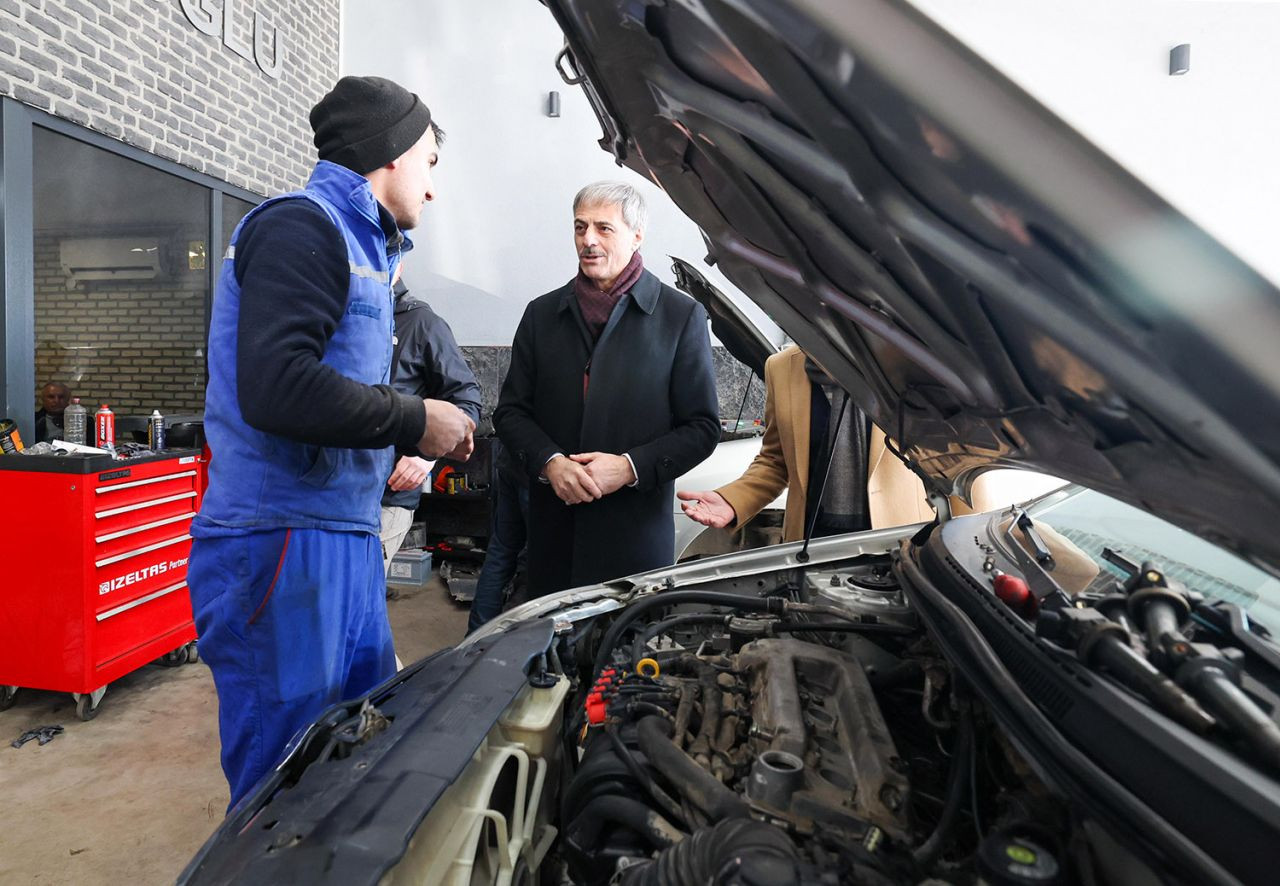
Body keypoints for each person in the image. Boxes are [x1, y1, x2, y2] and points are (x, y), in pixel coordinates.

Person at [188, 75, 475, 808]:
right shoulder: (302, 226)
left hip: (340, 536)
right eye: (431, 163)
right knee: (282, 780)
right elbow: (278, 385)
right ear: (392, 151)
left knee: (353, 753)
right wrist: (417, 418)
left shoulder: (364, 246)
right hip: (280, 539)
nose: (434, 189)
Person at [494, 181, 720, 597]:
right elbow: (510, 412)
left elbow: (702, 427)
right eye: (580, 228)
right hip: (554, 536)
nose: (588, 240)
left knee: (626, 653)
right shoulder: (542, 315)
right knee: (554, 652)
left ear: (637, 235)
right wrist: (550, 463)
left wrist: (630, 467)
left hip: (633, 541)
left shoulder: (680, 316)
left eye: (603, 228)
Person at [678, 345, 933, 541]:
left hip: (902, 537)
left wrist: (967, 539)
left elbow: (956, 458)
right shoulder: (781, 367)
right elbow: (775, 460)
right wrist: (732, 500)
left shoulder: (911, 362)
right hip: (810, 540)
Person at [380, 272, 483, 570]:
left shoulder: (423, 324)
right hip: (339, 493)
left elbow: (467, 403)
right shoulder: (348, 319)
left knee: (358, 598)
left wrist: (425, 458)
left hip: (389, 496)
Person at [466, 438, 529, 633]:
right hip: (549, 468)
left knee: (501, 554)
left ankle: (474, 642)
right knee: (542, 563)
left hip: (514, 457)